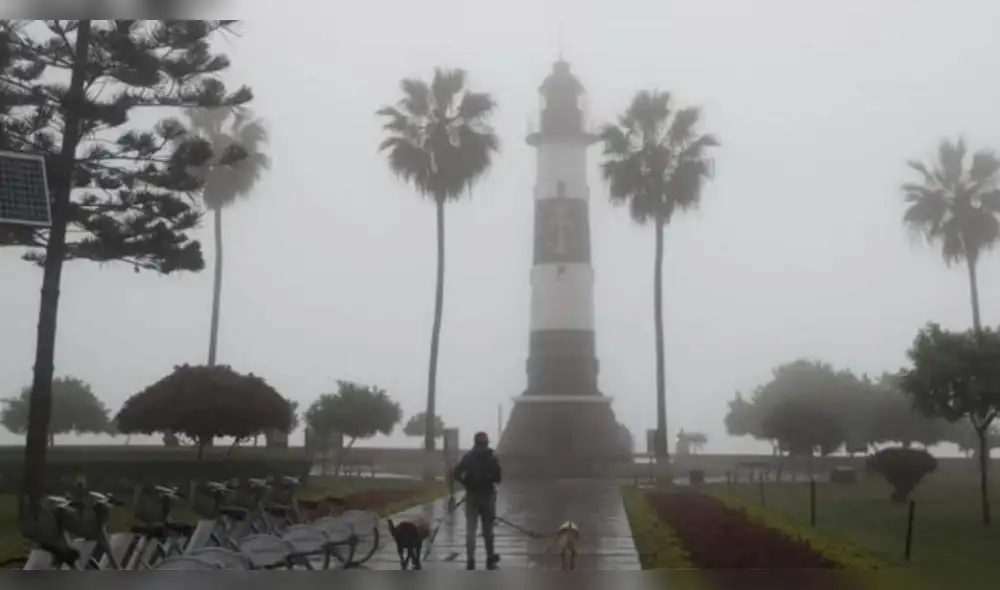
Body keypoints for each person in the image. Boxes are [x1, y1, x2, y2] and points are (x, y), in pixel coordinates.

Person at [451, 431, 502, 570]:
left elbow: (455, 473)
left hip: (472, 496)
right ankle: (490, 558)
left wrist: (466, 482)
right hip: (488, 497)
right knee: (488, 531)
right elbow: (498, 478)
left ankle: (470, 560)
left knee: (471, 530)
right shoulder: (492, 458)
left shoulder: (468, 458)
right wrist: (489, 477)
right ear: (486, 443)